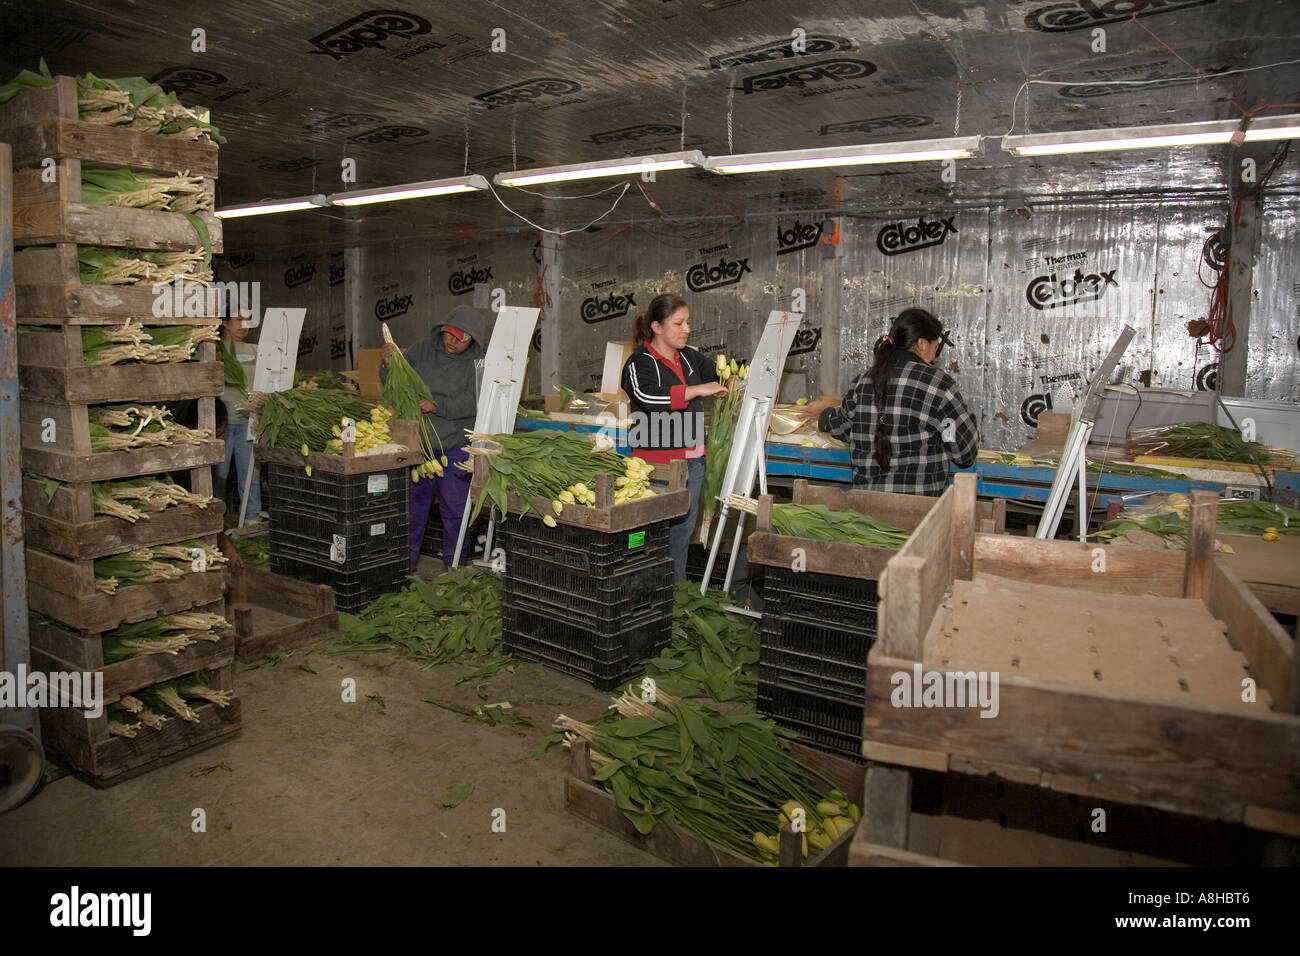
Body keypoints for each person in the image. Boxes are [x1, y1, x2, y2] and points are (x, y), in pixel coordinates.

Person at [804, 308, 978, 496]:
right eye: (936, 348)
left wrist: (824, 415)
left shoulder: (863, 381)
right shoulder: (938, 384)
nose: (935, 357)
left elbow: (844, 427)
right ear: (921, 344)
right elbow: (964, 453)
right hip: (920, 515)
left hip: (866, 510)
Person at [621, 293, 728, 581]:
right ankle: (644, 593)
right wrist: (695, 391)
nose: (687, 329)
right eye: (678, 323)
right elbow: (646, 396)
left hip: (692, 464)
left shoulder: (691, 358)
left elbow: (720, 375)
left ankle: (675, 597)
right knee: (650, 538)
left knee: (680, 538)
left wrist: (734, 380)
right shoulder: (639, 363)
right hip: (656, 468)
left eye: (688, 322)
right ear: (656, 327)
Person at [381, 304, 486, 569]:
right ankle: (404, 566)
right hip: (419, 447)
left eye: (460, 340)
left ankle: (454, 570)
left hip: (455, 447)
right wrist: (387, 364)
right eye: (448, 335)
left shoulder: (480, 364)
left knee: (454, 512)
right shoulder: (420, 350)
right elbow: (395, 383)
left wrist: (438, 405)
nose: (451, 342)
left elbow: (480, 400)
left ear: (472, 340)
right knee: (412, 511)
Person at [216, 308, 261, 521]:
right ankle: (216, 520)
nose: (244, 325)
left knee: (250, 474)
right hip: (221, 425)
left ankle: (252, 518)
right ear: (224, 322)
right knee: (218, 476)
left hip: (247, 423)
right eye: (238, 320)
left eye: (247, 320)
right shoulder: (212, 349)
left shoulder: (255, 350)